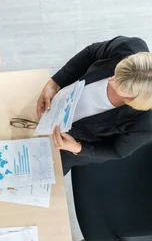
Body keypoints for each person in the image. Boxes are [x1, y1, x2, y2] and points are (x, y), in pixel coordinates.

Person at [36, 36, 152, 175]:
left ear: (134, 99)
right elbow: (90, 53)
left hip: (68, 145)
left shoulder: (145, 125)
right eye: (116, 72)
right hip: (54, 103)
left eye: (119, 86)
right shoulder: (129, 47)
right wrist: (55, 82)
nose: (110, 80)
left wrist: (77, 148)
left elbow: (116, 151)